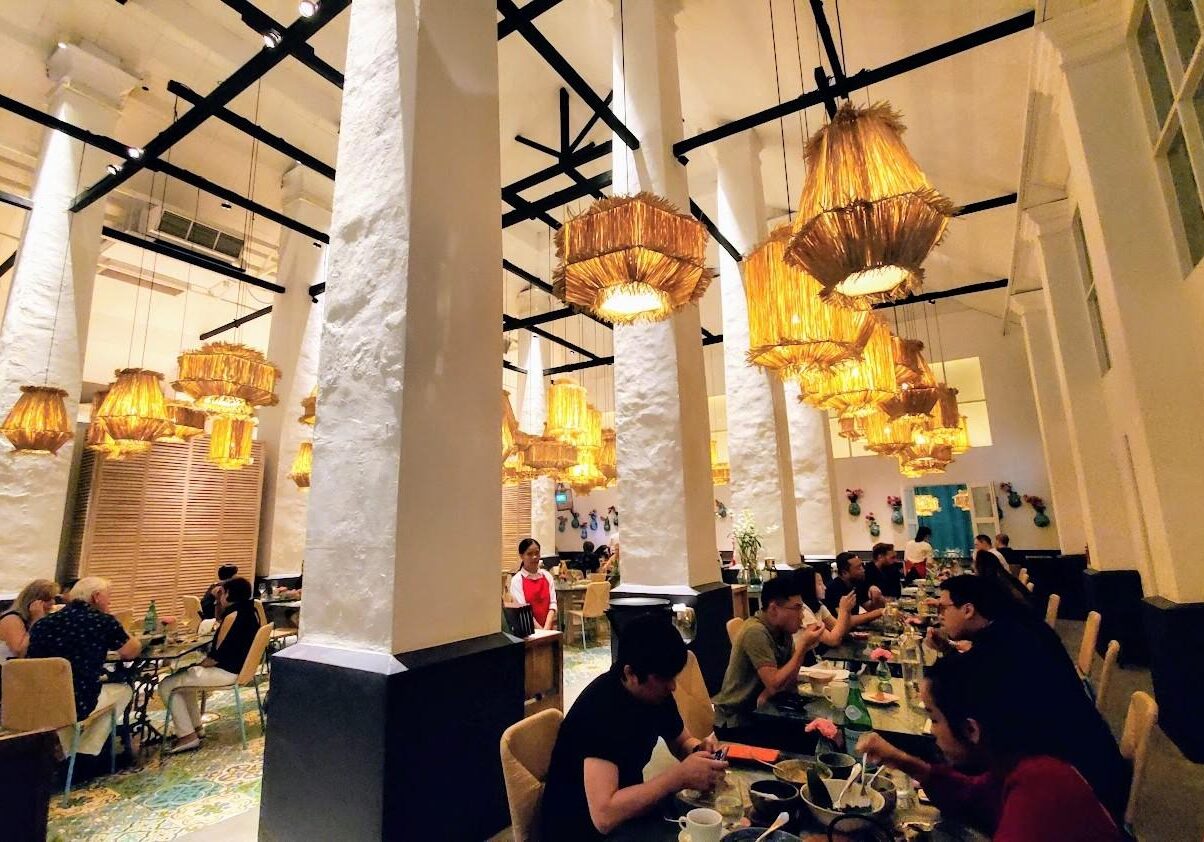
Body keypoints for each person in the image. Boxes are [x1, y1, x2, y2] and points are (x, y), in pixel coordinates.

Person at [925, 575, 1129, 821]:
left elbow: (971, 685)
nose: (940, 616)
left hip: (1079, 784)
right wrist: (948, 650)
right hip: (1090, 755)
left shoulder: (1005, 642)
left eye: (943, 608)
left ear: (968, 610)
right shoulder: (1011, 627)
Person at [858, 653, 1121, 841]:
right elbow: (973, 796)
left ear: (971, 729)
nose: (932, 731)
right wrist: (901, 760)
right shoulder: (1019, 758)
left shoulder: (1040, 787)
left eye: (934, 718)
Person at [540, 616, 728, 839]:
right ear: (630, 674)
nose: (672, 686)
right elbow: (604, 815)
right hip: (578, 829)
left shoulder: (656, 693)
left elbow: (681, 742)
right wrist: (677, 778)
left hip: (629, 814)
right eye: (664, 678)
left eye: (673, 677)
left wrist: (699, 752)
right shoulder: (600, 710)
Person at [27, 577, 141, 756]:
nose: (110, 601)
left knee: (68, 698)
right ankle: (85, 750)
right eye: (108, 596)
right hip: (80, 701)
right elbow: (130, 652)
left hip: (41, 699)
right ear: (96, 596)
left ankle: (68, 753)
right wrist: (114, 620)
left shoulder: (42, 623)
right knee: (124, 690)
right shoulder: (102, 621)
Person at [158, 576, 262, 754]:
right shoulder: (251, 611)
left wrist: (197, 665)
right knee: (183, 680)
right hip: (241, 669)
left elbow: (215, 657)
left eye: (222, 593)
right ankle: (195, 728)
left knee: (167, 684)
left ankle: (187, 736)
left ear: (228, 594)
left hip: (226, 671)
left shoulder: (233, 616)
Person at [712, 575, 825, 732]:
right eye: (797, 608)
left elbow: (789, 682)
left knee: (819, 730)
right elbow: (774, 684)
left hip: (764, 710)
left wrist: (803, 649)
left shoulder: (783, 630)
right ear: (773, 609)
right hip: (737, 720)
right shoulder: (755, 631)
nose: (801, 615)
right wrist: (803, 646)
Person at [507, 538, 558, 630]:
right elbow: (523, 610)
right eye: (529, 554)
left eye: (537, 553)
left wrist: (546, 629)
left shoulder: (547, 576)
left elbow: (553, 604)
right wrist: (541, 631)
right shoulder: (517, 580)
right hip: (528, 631)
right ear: (521, 556)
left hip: (548, 629)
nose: (534, 557)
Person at [0, 578, 57, 661]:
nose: (52, 602)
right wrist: (36, 621)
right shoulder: (11, 619)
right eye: (47, 599)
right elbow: (20, 652)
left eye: (53, 598)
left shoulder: (48, 619)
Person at [821, 552, 884, 627]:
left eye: (862, 566)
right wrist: (879, 612)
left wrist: (876, 598)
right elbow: (845, 620)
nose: (863, 570)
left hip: (853, 630)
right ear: (844, 573)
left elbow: (870, 608)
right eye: (859, 568)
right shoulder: (833, 588)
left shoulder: (856, 584)